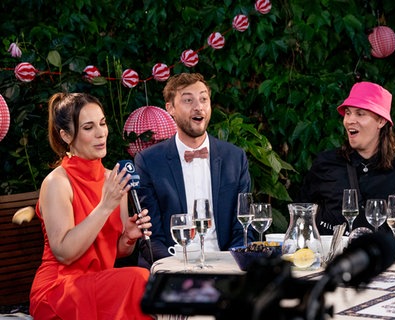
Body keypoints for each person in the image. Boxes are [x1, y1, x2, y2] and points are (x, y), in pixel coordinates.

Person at [29, 93, 153, 319]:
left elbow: (117, 252)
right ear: (66, 136)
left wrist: (129, 237)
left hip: (98, 283)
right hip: (58, 289)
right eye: (88, 127)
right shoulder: (57, 182)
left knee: (140, 280)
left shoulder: (113, 179)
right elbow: (64, 253)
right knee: (139, 278)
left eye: (103, 123)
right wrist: (105, 206)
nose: (101, 133)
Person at [135, 72, 252, 269]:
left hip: (227, 266)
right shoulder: (148, 161)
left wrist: (231, 266)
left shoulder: (235, 158)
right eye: (188, 100)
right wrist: (180, 269)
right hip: (174, 266)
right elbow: (150, 237)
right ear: (170, 108)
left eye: (203, 99)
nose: (198, 106)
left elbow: (243, 229)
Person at [297, 81, 395, 235]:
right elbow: (300, 215)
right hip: (329, 257)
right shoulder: (325, 163)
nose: (349, 120)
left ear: (381, 121)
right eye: (348, 112)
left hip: (382, 258)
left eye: (360, 114)